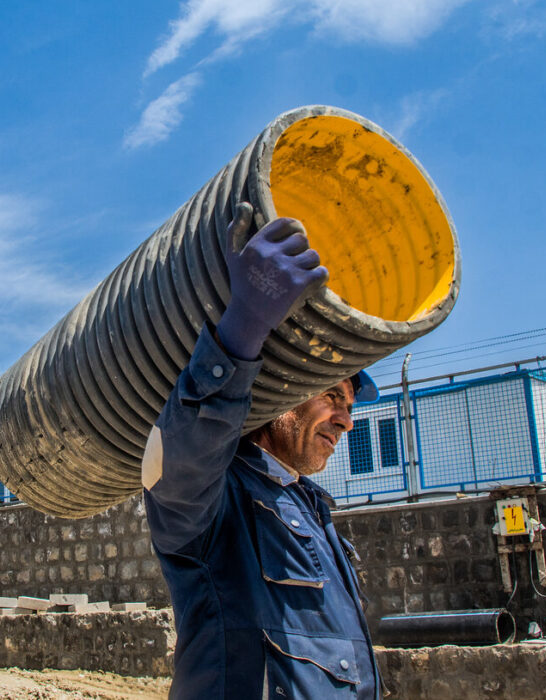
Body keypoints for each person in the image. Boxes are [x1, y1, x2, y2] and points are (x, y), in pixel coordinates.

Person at [142, 203, 381, 698]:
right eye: (332, 395)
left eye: (349, 403)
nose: (346, 419)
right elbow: (180, 461)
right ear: (285, 395)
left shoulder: (311, 507)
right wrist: (244, 325)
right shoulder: (219, 496)